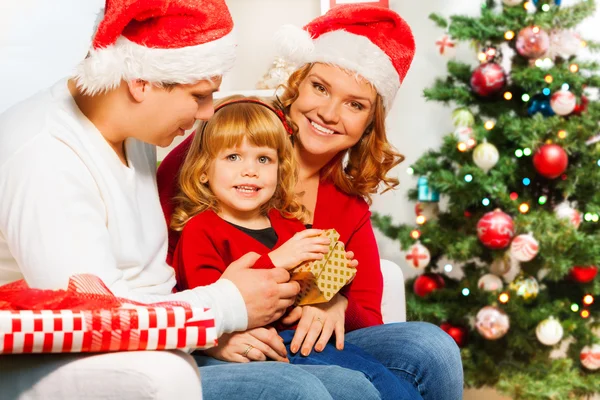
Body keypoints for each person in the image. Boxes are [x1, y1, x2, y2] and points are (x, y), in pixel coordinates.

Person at [0, 1, 374, 399]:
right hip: (100, 364)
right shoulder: (44, 156)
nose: (207, 112)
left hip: (174, 339)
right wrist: (223, 313)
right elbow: (92, 323)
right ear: (140, 82)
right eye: (199, 96)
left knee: (420, 352)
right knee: (307, 388)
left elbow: (154, 282)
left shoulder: (135, 128)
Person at [157, 4, 464, 400]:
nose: (328, 113)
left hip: (300, 341)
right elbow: (148, 280)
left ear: (370, 124)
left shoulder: (346, 206)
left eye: (355, 105)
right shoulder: (224, 148)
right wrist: (208, 337)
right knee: (347, 385)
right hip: (206, 338)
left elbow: (366, 315)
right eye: (320, 87)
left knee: (431, 347)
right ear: (297, 84)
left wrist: (334, 303)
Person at [170, 95, 422, 400]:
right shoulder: (201, 231)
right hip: (265, 348)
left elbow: (315, 287)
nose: (250, 170)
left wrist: (335, 282)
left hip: (311, 340)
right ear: (203, 170)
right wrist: (277, 260)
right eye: (233, 157)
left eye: (263, 159)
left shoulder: (288, 224)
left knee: (383, 375)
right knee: (365, 381)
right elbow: (210, 305)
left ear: (279, 169)